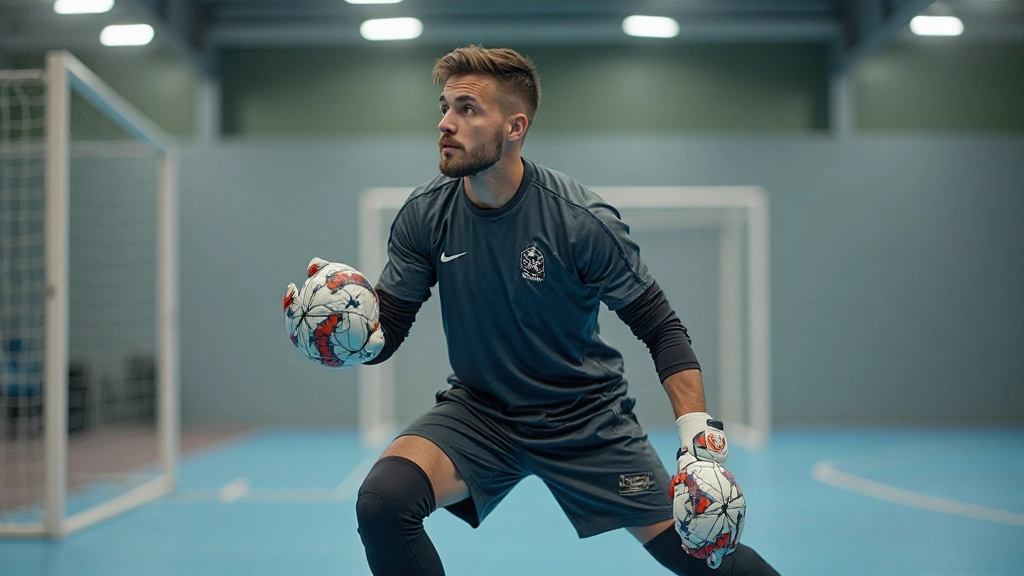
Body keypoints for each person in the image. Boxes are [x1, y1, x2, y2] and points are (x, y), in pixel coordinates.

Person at [354, 45, 780, 576]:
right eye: (444, 107)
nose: (445, 123)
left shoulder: (580, 221)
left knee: (702, 554)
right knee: (382, 503)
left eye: (466, 109)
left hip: (585, 420)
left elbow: (661, 328)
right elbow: (384, 335)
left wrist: (699, 446)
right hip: (481, 413)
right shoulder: (425, 215)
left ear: (515, 127)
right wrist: (340, 336)